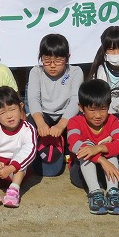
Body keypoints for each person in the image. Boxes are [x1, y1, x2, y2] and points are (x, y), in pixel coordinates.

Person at [66, 80, 119, 215]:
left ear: (109, 106)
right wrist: (101, 159)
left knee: (110, 150)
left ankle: (113, 192)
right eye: (92, 110)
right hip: (81, 173)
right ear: (81, 108)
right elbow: (74, 144)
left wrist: (99, 149)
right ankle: (95, 192)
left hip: (107, 173)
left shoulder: (112, 121)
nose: (98, 115)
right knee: (86, 148)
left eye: (103, 109)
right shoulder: (74, 122)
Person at [26, 33, 83, 176]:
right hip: (44, 116)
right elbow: (33, 99)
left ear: (67, 58)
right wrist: (40, 124)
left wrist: (61, 125)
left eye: (58, 60)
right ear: (41, 58)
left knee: (80, 122)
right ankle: (31, 153)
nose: (52, 65)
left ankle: (70, 152)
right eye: (46, 60)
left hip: (66, 118)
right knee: (29, 123)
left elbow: (76, 100)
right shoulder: (36, 71)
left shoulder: (76, 71)